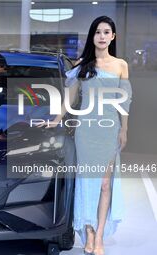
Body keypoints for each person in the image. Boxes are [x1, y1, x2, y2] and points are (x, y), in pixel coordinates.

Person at [39, 16, 132, 255]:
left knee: (104, 185)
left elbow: (125, 101)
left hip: (110, 130)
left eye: (106, 31)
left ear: (113, 36)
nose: (102, 36)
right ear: (92, 36)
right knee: (87, 183)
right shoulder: (83, 65)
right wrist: (56, 120)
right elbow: (69, 99)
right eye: (97, 32)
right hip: (86, 131)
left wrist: (124, 129)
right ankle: (88, 233)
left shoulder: (121, 65)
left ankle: (99, 236)